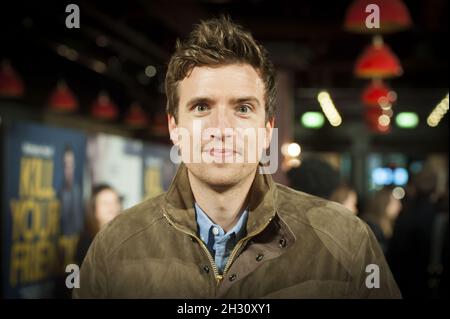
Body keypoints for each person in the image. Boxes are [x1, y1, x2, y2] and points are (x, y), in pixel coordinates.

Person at [74, 17, 400, 298]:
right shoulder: (114, 246)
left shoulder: (345, 240)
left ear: (267, 128)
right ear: (174, 127)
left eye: (243, 109)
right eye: (201, 107)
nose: (222, 128)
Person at [75, 184, 123, 267]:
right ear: (93, 208)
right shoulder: (87, 241)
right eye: (105, 203)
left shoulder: (127, 235)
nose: (112, 207)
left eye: (115, 202)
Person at [361, 187, 402, 254]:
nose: (400, 206)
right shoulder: (371, 228)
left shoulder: (390, 224)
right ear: (384, 204)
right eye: (395, 203)